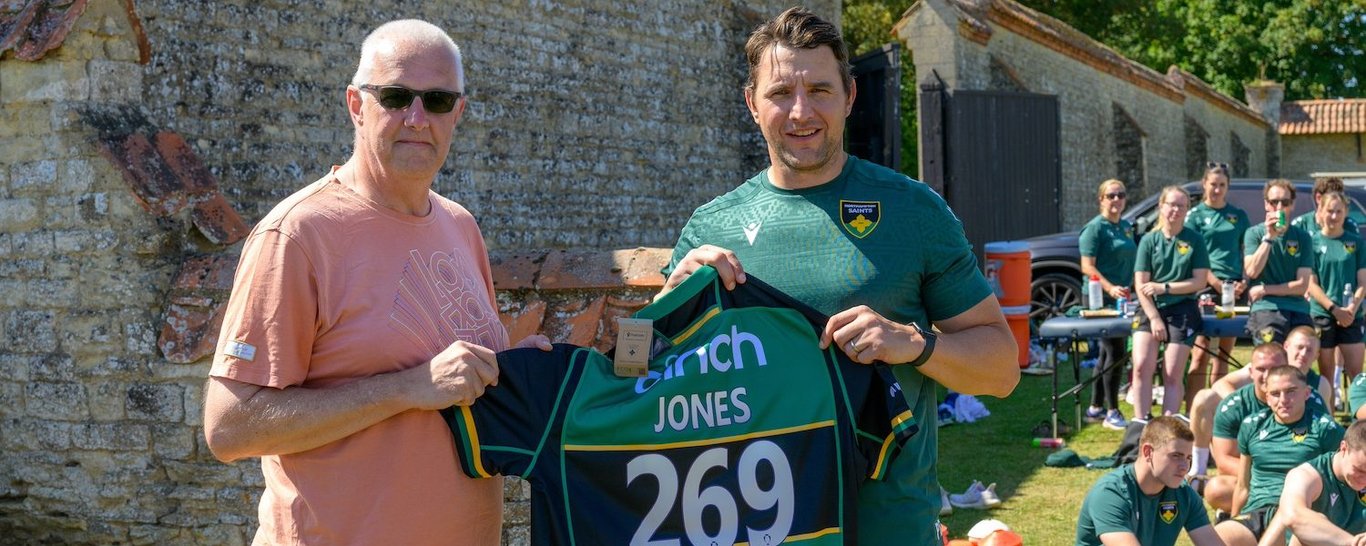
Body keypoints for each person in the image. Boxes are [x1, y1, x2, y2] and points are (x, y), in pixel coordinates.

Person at [660, 7, 1020, 544]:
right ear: (751, 104)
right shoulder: (713, 226)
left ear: (850, 97)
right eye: (781, 92)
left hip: (887, 528)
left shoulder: (914, 212)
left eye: (820, 90)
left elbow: (1002, 370)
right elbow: (635, 372)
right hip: (748, 526)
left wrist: (913, 344)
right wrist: (673, 299)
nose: (801, 111)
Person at [201, 20, 549, 545]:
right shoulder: (297, 234)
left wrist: (512, 368)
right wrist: (408, 388)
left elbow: (450, 386)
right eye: (394, 96)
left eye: (436, 101)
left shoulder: (459, 226)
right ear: (356, 106)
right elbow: (229, 427)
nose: (416, 118)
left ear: (459, 112)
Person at [1199, 336, 1333, 514]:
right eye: (1261, 369)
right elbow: (1224, 462)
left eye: (1274, 368)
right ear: (1251, 371)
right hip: (1255, 479)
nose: (1267, 375)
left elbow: (1329, 454)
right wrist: (1270, 475)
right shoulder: (1234, 405)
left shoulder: (1310, 399)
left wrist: (1296, 477)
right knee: (1216, 489)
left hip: (1301, 480)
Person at [1213, 366, 1344, 546]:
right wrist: (1234, 519)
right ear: (1267, 397)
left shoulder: (1325, 428)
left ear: (1306, 393)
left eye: (1291, 391)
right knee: (1217, 538)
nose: (1283, 400)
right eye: (1275, 393)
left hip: (1301, 513)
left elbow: (1343, 482)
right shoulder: (1252, 425)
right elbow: (1243, 485)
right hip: (1258, 512)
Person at [1075, 416, 1226, 546]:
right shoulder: (1110, 493)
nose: (1185, 466)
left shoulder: (1184, 495)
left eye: (1188, 458)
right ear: (1148, 452)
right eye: (1176, 456)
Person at [1132, 186, 1209, 419]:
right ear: (1161, 207)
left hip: (1183, 308)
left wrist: (1165, 287)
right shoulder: (1148, 240)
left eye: (1181, 205)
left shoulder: (1195, 240)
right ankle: (1141, 425)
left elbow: (1199, 281)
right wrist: (1154, 317)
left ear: (1187, 210)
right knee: (1141, 367)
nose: (1175, 210)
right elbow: (1141, 284)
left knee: (1172, 373)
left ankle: (1167, 427)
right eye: (1171, 204)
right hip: (1150, 307)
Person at [1185, 162, 1249, 408]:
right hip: (1207, 287)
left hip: (1234, 290)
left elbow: (1247, 250)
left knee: (1223, 354)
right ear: (1204, 184)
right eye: (1213, 184)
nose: (1217, 190)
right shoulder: (1196, 216)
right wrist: (1213, 281)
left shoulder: (1238, 216)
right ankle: (1192, 411)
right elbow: (1191, 254)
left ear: (1228, 186)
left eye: (1222, 185)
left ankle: (1218, 410)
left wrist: (1243, 280)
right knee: (1201, 353)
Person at [1079, 178, 1139, 430]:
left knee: (1108, 353)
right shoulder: (1095, 228)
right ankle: (1113, 411)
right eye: (1111, 195)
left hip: (1122, 298)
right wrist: (1109, 287)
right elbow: (1087, 266)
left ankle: (1095, 406)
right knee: (1116, 353)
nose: (1116, 200)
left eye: (1121, 195)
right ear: (1101, 199)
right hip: (1099, 298)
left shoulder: (1125, 227)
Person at [1260, 420, 1366, 546]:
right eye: (1359, 470)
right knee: (1312, 528)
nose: (1364, 479)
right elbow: (1294, 516)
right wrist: (1352, 543)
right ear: (1343, 448)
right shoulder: (1307, 475)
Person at [1307, 191, 1366, 400]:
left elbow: (1363, 281)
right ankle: (1330, 424)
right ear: (1320, 211)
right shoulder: (1311, 242)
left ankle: (1360, 427)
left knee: (1358, 378)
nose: (1333, 216)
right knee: (1326, 376)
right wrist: (1334, 309)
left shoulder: (1356, 242)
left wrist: (1352, 308)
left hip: (1352, 315)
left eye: (1338, 211)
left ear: (1346, 212)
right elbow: (1311, 284)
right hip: (1322, 314)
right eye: (1329, 211)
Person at [1244, 179, 1314, 345]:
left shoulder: (1302, 237)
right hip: (1267, 308)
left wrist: (1265, 289)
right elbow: (1252, 271)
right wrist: (1269, 238)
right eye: (1274, 202)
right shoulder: (1254, 233)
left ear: (1292, 205)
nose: (1280, 207)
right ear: (1266, 205)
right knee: (1271, 359)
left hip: (1298, 308)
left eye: (1285, 202)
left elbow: (1302, 286)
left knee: (1301, 359)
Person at [1292, 177, 1359, 235]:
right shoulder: (1301, 226)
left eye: (1340, 198)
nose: (1334, 217)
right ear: (1318, 198)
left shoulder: (1348, 226)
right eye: (1332, 199)